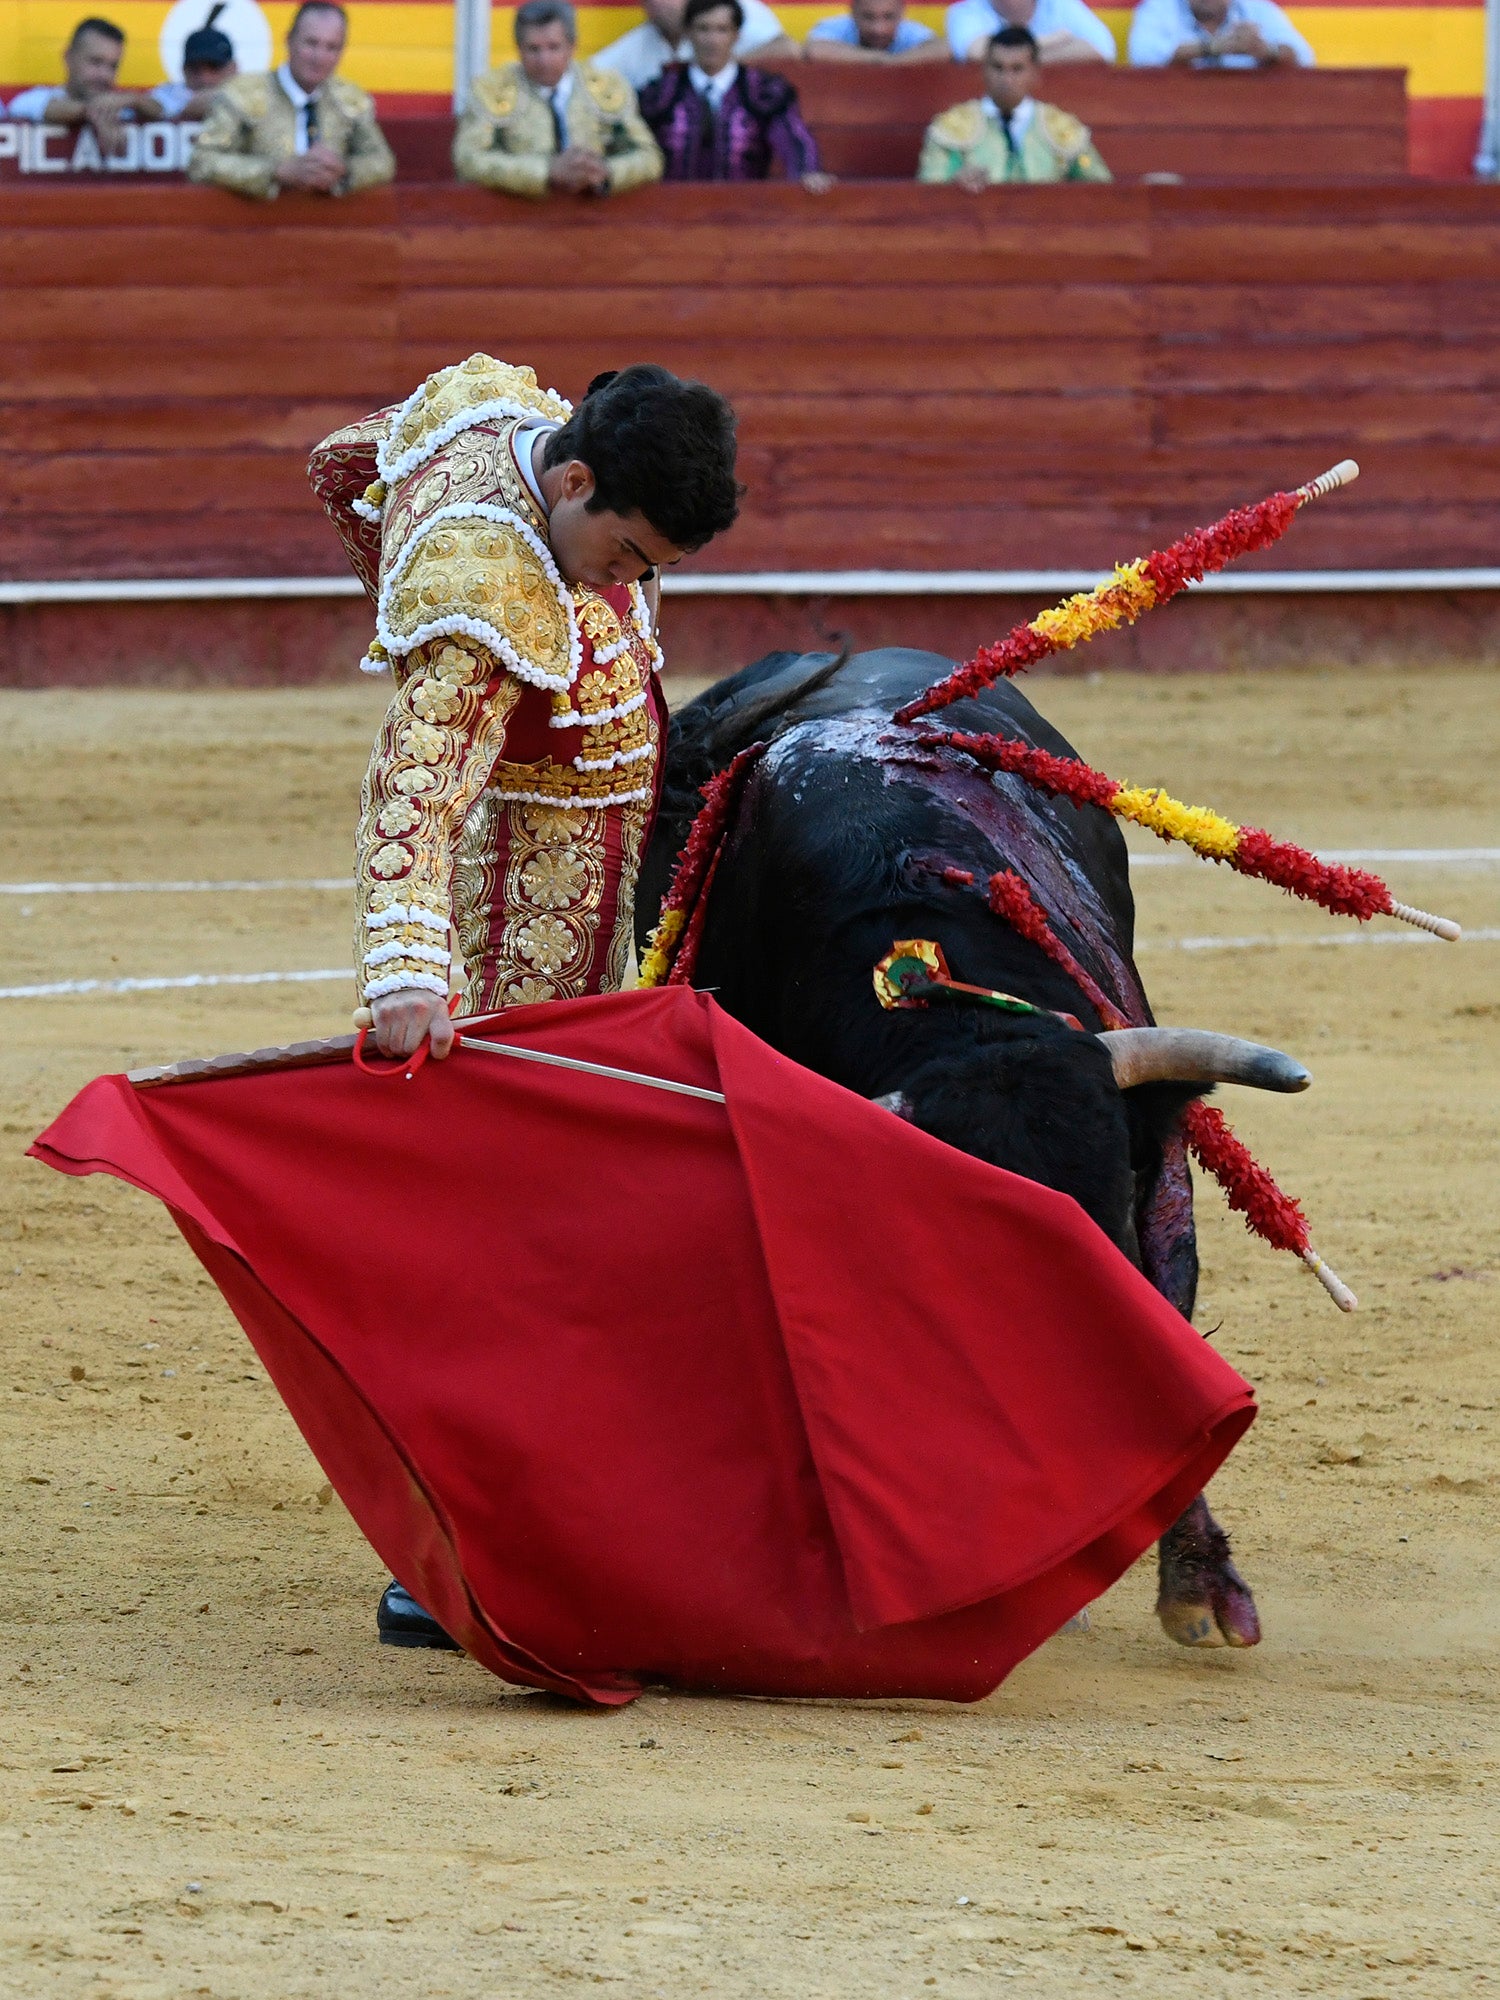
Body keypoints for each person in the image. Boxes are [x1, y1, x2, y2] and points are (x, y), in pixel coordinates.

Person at [307, 353, 740, 1647]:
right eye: (623, 548)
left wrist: (371, 546)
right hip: (512, 960)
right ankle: (447, 1551)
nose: (630, 579)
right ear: (573, 478)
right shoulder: (482, 598)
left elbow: (346, 456)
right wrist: (405, 976)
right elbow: (413, 798)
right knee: (505, 1248)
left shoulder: (496, 408)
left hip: (595, 925)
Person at [454, 0, 662, 199]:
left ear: (572, 46)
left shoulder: (606, 87)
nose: (544, 60)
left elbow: (650, 157)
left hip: (595, 214)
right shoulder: (491, 90)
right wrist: (546, 171)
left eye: (554, 47)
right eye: (533, 49)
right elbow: (468, 160)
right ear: (519, 48)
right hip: (521, 217)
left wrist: (606, 171)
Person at [187, 0, 394, 199]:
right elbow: (201, 162)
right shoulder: (242, 95)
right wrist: (275, 172)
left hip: (332, 227)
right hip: (256, 226)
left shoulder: (350, 100)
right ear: (289, 41)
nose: (319, 57)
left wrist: (345, 170)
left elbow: (382, 161)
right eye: (311, 43)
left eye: (331, 47)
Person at [640, 0, 833, 190]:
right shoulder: (660, 92)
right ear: (688, 33)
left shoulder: (764, 91)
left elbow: (793, 139)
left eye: (722, 30)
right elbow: (637, 148)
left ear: (737, 36)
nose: (712, 40)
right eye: (703, 29)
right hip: (672, 213)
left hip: (746, 212)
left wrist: (807, 171)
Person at [919, 25, 1112, 183]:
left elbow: (1099, 189)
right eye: (998, 67)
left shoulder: (1063, 130)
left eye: (1017, 69)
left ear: (1035, 73)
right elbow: (929, 190)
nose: (1006, 79)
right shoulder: (951, 128)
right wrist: (955, 182)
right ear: (984, 70)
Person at [6, 17, 163, 151]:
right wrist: (92, 112)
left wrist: (133, 100)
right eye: (95, 62)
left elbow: (161, 110)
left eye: (113, 66)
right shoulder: (34, 98)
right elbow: (31, 107)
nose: (104, 74)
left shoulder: (124, 108)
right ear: (69, 57)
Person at [594, 0, 798, 94]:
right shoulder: (640, 41)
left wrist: (721, 65)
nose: (661, 4)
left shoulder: (734, 7)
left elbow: (787, 48)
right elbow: (588, 75)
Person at [1127, 0, 1313, 67]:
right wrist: (1213, 47)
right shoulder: (1159, 7)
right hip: (1179, 111)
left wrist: (1267, 52)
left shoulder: (1258, 9)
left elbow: (1304, 56)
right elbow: (1143, 56)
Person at [945, 0, 1115, 64]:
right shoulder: (965, 11)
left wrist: (1013, 58)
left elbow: (1104, 51)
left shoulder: (1061, 4)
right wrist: (1052, 41)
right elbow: (978, 53)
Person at [805, 0, 944, 62]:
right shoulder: (835, 26)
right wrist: (881, 60)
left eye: (888, 16)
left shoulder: (910, 30)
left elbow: (943, 48)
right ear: (853, 11)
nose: (879, 29)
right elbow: (814, 49)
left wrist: (891, 62)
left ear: (902, 12)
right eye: (868, 17)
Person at [149, 24, 237, 120]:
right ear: (183, 69)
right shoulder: (170, 93)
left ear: (233, 68)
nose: (205, 78)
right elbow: (153, 105)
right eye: (195, 68)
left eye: (214, 67)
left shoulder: (249, 92)